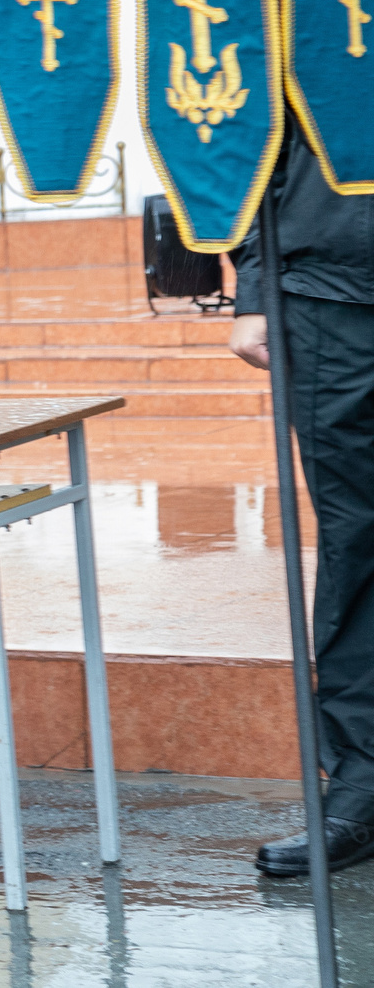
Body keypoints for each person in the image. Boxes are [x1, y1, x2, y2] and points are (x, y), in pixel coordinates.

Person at [232, 136, 374, 876]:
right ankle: (362, 782)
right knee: (356, 542)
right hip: (327, 294)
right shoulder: (305, 16)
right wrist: (254, 288)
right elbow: (252, 142)